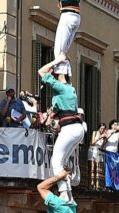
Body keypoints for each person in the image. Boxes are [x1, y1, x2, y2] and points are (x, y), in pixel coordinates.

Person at [38, 54, 83, 198]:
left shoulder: (62, 88)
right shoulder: (70, 90)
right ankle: (67, 190)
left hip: (70, 129)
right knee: (61, 161)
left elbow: (41, 71)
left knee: (55, 160)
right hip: (76, 129)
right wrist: (49, 116)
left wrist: (56, 60)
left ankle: (63, 192)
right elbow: (57, 112)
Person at [53, 0, 81, 77]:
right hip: (76, 16)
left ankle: (61, 77)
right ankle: (66, 73)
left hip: (67, 15)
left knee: (59, 52)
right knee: (63, 52)